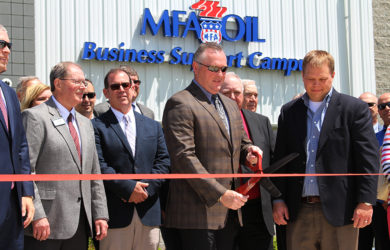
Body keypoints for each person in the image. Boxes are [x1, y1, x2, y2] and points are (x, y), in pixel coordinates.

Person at [272, 50, 379, 250]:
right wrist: (278, 199)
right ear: (302, 76)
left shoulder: (354, 109)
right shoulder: (289, 112)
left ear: (333, 75)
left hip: (342, 211)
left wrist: (366, 201)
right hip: (298, 210)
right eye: (310, 78)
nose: (316, 84)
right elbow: (281, 159)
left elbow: (368, 159)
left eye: (322, 78)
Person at [162, 42, 262, 250]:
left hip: (230, 214)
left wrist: (249, 152)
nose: (220, 74)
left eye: (223, 68)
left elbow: (241, 143)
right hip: (195, 217)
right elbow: (184, 158)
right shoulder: (180, 103)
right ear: (196, 67)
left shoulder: (230, 105)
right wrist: (220, 194)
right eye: (213, 68)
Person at [22, 61, 109, 250]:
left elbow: (94, 173)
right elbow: (26, 170)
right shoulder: (35, 117)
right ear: (58, 83)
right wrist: (37, 214)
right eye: (76, 81)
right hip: (45, 223)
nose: (82, 87)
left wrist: (100, 213)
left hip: (79, 223)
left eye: (84, 82)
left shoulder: (85, 123)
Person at [93, 68, 170, 250]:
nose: (121, 89)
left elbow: (163, 162)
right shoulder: (96, 126)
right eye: (115, 86)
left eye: (125, 85)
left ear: (133, 88)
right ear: (106, 93)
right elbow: (99, 165)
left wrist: (145, 190)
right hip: (116, 213)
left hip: (148, 212)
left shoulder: (153, 126)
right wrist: (128, 189)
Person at [220, 72, 275, 250]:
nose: (232, 97)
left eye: (237, 93)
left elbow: (273, 162)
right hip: (223, 209)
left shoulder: (261, 122)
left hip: (257, 210)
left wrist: (279, 200)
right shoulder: (208, 119)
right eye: (227, 92)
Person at [0, 24, 34, 250]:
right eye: (1, 44)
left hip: (13, 207)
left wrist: (26, 193)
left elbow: (20, 147)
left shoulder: (9, 94)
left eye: (9, 45)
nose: (8, 50)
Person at [373, 92, 390, 249]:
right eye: (382, 106)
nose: (387, 109)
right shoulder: (373, 138)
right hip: (380, 204)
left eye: (389, 104)